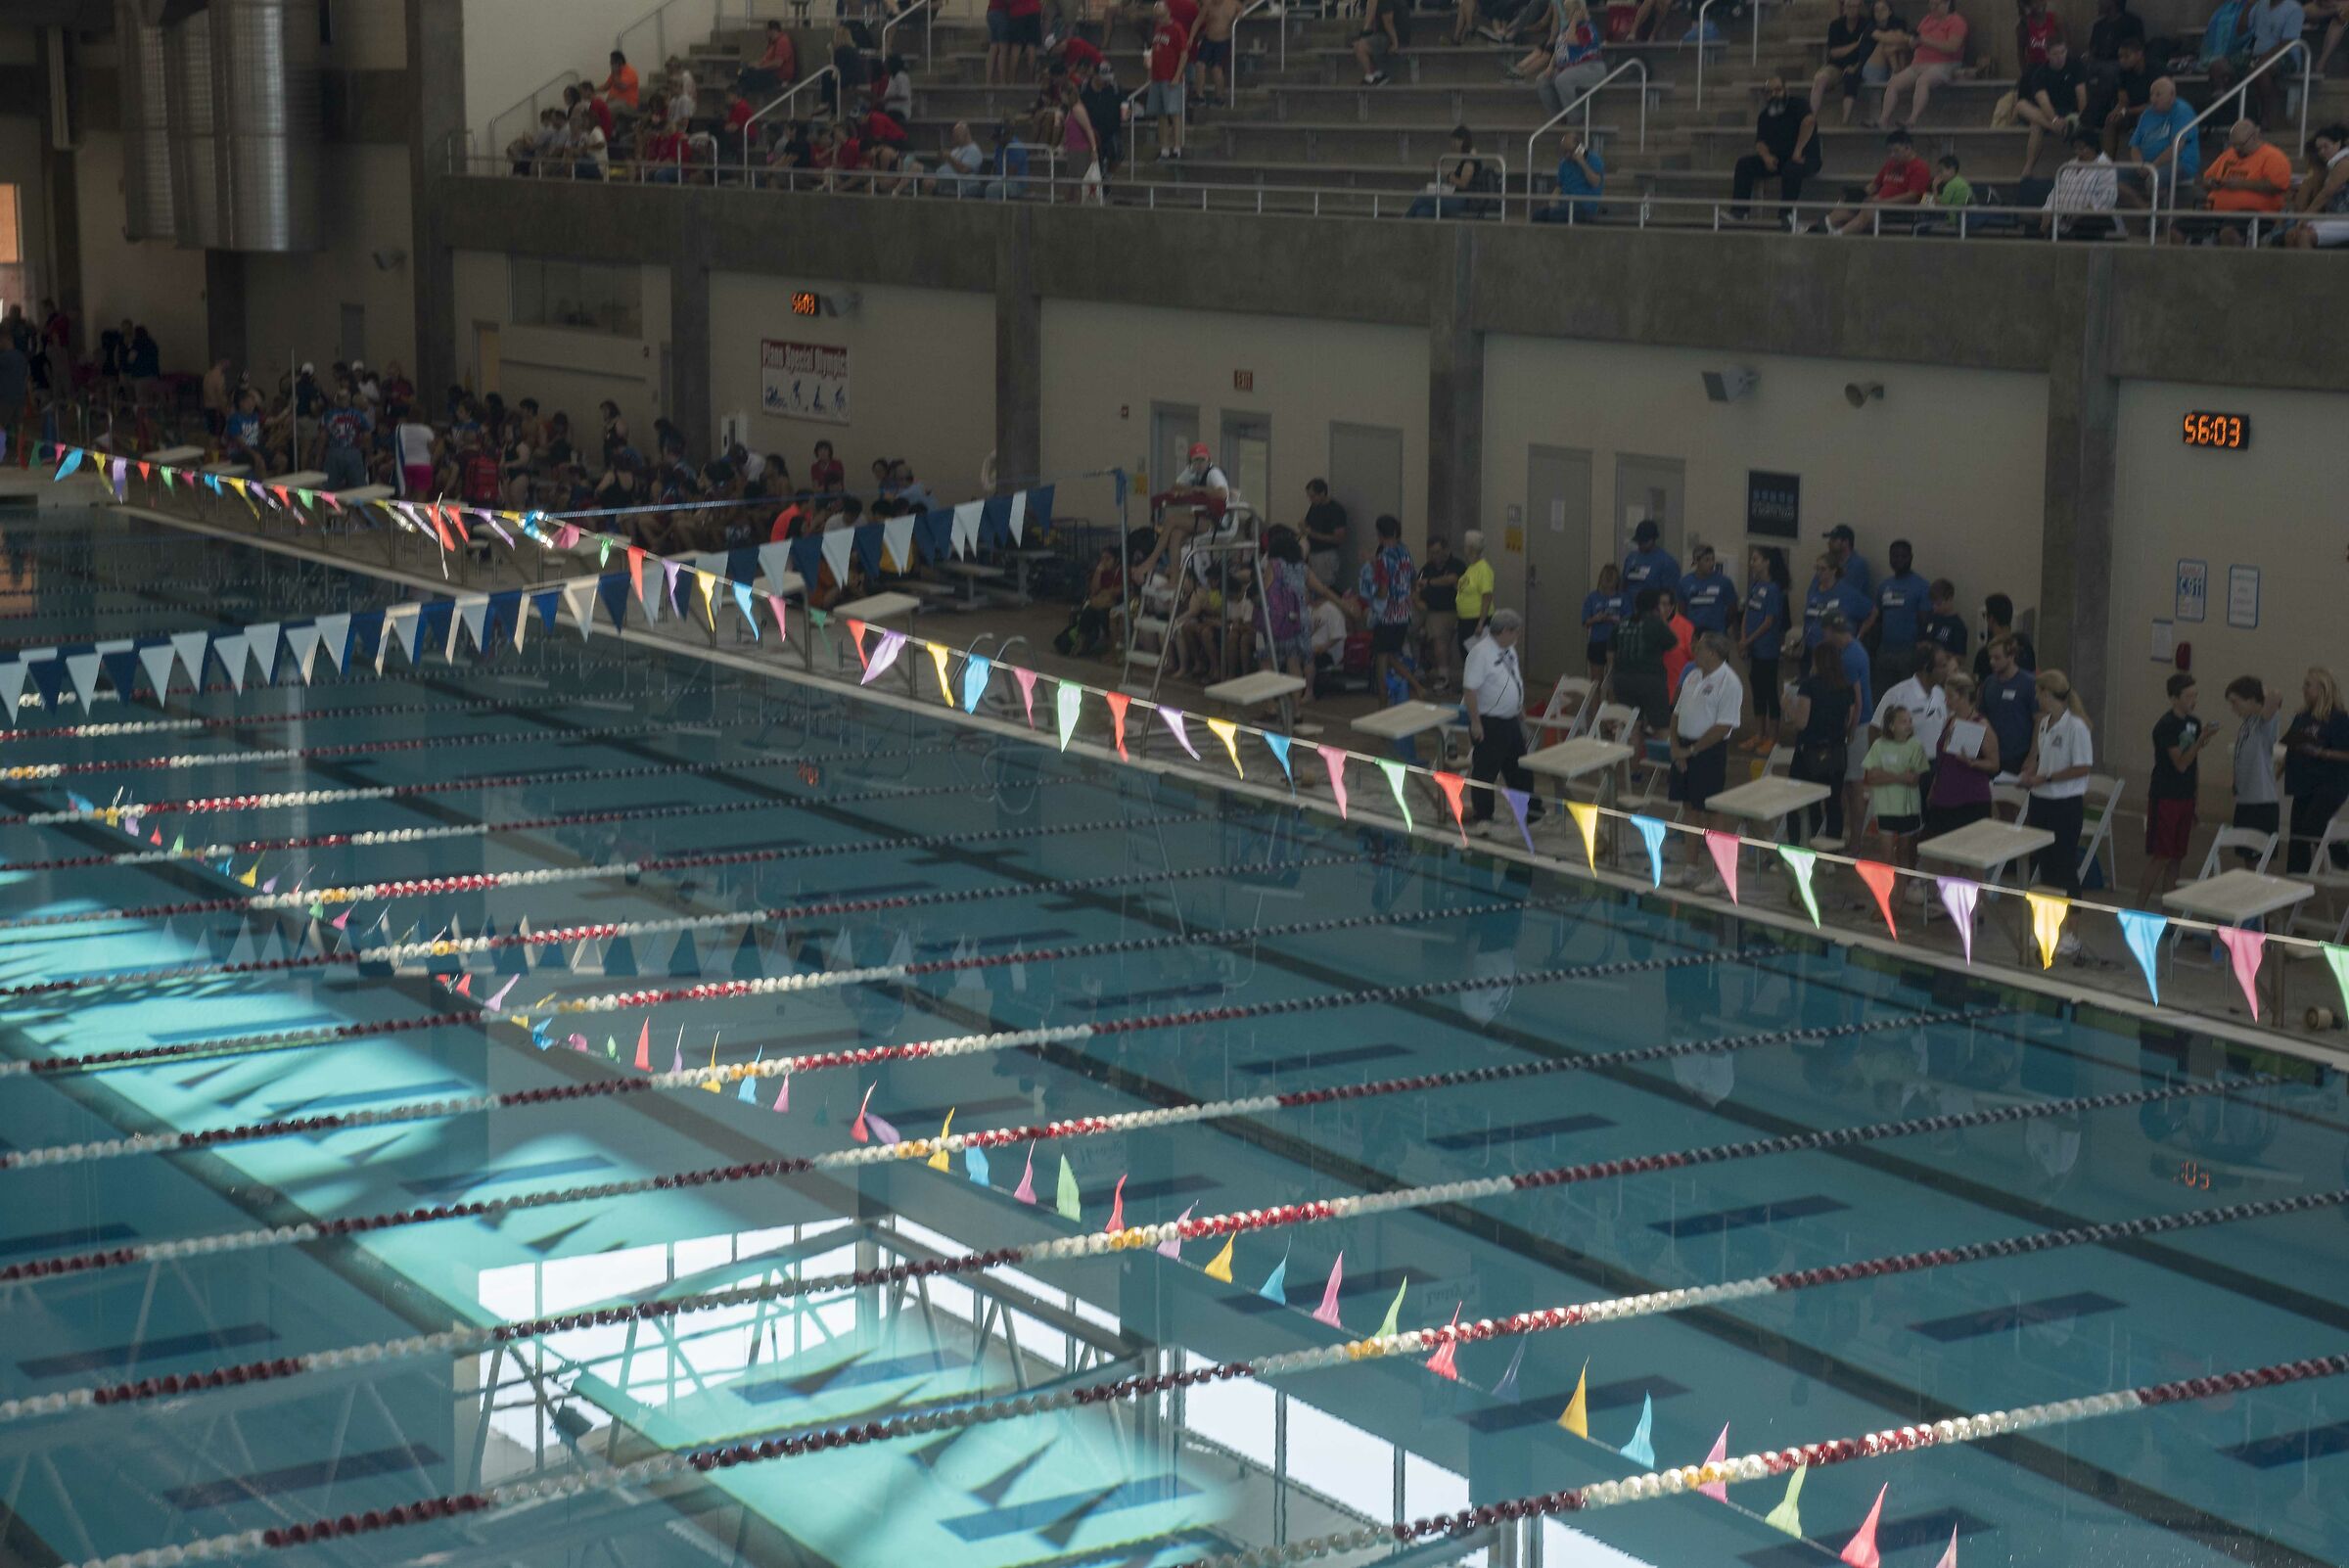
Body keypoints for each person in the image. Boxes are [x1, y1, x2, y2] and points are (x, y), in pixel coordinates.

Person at [2139, 670, 2217, 903]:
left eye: (2195, 695)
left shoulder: (2194, 723)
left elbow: (2193, 766)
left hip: (2185, 797)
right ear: (2174, 698)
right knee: (2161, 855)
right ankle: (2139, 904)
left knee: (2177, 857)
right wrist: (2201, 740)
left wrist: (2196, 799)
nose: (2193, 700)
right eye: (2188, 696)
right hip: (2166, 795)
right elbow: (2181, 763)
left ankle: (2169, 910)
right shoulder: (2166, 726)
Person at [1464, 610, 1543, 835]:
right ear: (1505, 631)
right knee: (1485, 771)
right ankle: (1483, 816)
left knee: (1519, 769)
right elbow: (1470, 690)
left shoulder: (1509, 649)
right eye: (1515, 631)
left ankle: (1531, 811)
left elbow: (1513, 678)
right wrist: (1475, 722)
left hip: (1510, 720)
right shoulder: (1480, 653)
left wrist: (1519, 708)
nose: (1517, 635)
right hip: (1489, 722)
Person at [2018, 669, 2095, 899]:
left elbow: (2083, 767)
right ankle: (2049, 928)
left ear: (2048, 693)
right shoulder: (2043, 724)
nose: (2036, 699)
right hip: (2041, 801)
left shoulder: (2076, 727)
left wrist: (2047, 777)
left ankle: (2072, 930)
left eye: (2038, 693)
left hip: (2064, 805)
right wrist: (2030, 772)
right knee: (2045, 865)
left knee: (2065, 867)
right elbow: (2042, 758)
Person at [1670, 633, 1744, 860]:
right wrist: (1675, 747)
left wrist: (1691, 751)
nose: (1694, 651)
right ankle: (1690, 868)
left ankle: (1720, 874)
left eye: (1700, 648)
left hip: (1708, 752)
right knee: (1690, 808)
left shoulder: (1729, 682)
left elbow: (1723, 726)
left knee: (1712, 810)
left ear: (1713, 653)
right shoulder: (1692, 675)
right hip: (1683, 749)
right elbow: (1676, 714)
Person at [1262, 528, 1351, 710]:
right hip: (1300, 619)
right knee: (1295, 662)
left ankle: (1270, 705)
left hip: (1278, 620)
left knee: (1267, 661)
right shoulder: (1303, 568)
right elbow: (1323, 590)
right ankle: (1297, 709)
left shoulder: (1274, 565)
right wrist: (1344, 605)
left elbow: (1266, 592)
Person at [1787, 643, 1856, 846]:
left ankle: (1797, 844)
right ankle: (1831, 851)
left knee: (1802, 801)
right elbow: (1848, 720)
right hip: (1836, 751)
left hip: (1809, 751)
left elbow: (1801, 722)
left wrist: (1788, 706)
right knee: (1833, 802)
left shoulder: (1809, 686)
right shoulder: (1847, 687)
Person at [2283, 669, 2349, 872]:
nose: (2303, 689)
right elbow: (2290, 746)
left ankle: (2345, 859)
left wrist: (2322, 753)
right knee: (2297, 836)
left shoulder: (2337, 719)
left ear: (2322, 689)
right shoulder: (2302, 716)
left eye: (2307, 685)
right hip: (2303, 782)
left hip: (2329, 783)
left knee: (2312, 827)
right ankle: (2296, 883)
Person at [2186, 118, 2291, 243]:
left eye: (2241, 144)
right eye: (2233, 144)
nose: (2236, 149)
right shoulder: (2229, 154)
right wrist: (2210, 183)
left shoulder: (2273, 156)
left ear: (2254, 137)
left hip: (2256, 214)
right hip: (2216, 211)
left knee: (2228, 231)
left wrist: (2241, 184)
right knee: (2179, 228)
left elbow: (2277, 186)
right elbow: (2206, 178)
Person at [1925, 670, 2003, 841]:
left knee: (1971, 854)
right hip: (1944, 796)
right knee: (1942, 854)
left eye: (1950, 696)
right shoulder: (1949, 721)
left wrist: (1973, 763)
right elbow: (1943, 760)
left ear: (1963, 696)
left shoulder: (1982, 725)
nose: (1946, 700)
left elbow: (1994, 764)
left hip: (1970, 798)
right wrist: (1934, 787)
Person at [1734, 76, 1821, 219]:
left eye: (1778, 90)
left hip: (1805, 157)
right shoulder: (1764, 116)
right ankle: (1739, 211)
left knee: (1792, 169)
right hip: (1779, 159)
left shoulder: (1798, 104)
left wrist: (1798, 150)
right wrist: (1766, 156)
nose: (1773, 94)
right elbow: (1760, 142)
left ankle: (1786, 214)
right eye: (1769, 92)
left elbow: (1809, 122)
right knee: (1744, 165)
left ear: (1786, 90)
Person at [1357, 514, 1419, 703]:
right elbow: (1412, 579)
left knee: (1382, 660)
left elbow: (1383, 591)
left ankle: (1383, 701)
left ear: (1379, 534)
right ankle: (1416, 687)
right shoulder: (1405, 552)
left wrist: (1371, 590)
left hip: (1387, 615)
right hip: (1403, 612)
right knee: (1392, 655)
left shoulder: (1384, 558)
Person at [2122, 76, 2199, 225]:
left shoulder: (2182, 111)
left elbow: (2177, 147)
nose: (2153, 99)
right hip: (2147, 165)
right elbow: (2135, 145)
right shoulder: (2147, 114)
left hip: (2180, 162)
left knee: (2154, 179)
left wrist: (2150, 167)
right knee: (2112, 176)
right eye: (2151, 94)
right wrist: (2140, 165)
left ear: (2172, 95)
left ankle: (2158, 220)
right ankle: (2145, 210)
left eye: (2158, 95)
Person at [1877, 0, 1966, 129]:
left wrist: (1925, 40)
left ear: (1947, 4)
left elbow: (1953, 47)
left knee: (1923, 81)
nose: (1933, 8)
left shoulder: (1957, 22)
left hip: (1944, 64)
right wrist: (1913, 41)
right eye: (1931, 4)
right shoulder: (1926, 19)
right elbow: (1915, 41)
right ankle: (1883, 120)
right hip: (1918, 64)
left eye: (1937, 5)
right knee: (1893, 82)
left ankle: (1912, 119)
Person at [2225, 675, 2283, 862]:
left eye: (2235, 702)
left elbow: (2275, 696)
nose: (2233, 708)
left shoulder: (2264, 723)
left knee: (2259, 860)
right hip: (2245, 801)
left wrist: (2260, 690)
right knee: (2247, 858)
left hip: (2262, 803)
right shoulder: (2246, 725)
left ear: (2250, 699)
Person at [1863, 704, 1928, 872]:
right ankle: (1888, 889)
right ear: (1891, 726)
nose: (1908, 725)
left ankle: (1903, 887)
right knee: (1886, 855)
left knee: (1904, 853)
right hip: (1886, 808)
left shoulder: (1915, 746)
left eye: (1909, 721)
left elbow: (1913, 779)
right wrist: (1900, 776)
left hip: (1908, 810)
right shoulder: (1879, 745)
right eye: (1903, 721)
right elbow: (1871, 777)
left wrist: (1885, 774)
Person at [1829, 130, 1932, 233]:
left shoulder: (1920, 168)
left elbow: (1912, 196)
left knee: (1868, 210)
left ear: (1908, 148)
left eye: (1896, 151)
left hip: (1900, 210)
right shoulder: (1891, 164)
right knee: (1847, 206)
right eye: (1890, 151)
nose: (1892, 155)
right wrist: (1859, 195)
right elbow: (1874, 185)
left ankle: (1838, 236)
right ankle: (1825, 227)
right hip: (1879, 204)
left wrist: (1881, 203)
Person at [1739, 545, 1790, 751]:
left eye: (1756, 559)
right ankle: (1759, 733)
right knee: (1757, 691)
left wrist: (1749, 640)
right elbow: (1747, 613)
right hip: (1752, 647)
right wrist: (1743, 638)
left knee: (1769, 692)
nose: (1752, 563)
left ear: (1767, 562)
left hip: (1767, 649)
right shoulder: (1755, 585)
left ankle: (1773, 736)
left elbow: (1769, 621)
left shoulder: (1774, 589)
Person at [1862, 538, 1929, 689]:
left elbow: (1926, 620)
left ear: (1911, 557)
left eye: (1902, 556)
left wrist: (1921, 648)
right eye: (1894, 556)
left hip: (1909, 652)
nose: (1898, 560)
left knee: (1908, 697)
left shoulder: (1922, 586)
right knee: (1883, 698)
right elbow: (1878, 618)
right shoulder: (1884, 586)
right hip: (1885, 652)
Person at [2015, 36, 2088, 179]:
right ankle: (2029, 166)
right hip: (2048, 113)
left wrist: (2083, 118)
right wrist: (2054, 121)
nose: (2060, 57)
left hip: (2069, 111)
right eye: (2055, 54)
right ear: (2047, 54)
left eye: (2062, 52)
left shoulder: (2076, 66)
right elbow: (2043, 101)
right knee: (2021, 106)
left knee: (2036, 124)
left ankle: (2028, 167)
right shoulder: (2040, 73)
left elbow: (2081, 94)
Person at [1611, 586, 1674, 737]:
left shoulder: (1622, 623)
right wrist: (1663, 620)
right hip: (1651, 681)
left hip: (1622, 679)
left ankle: (1629, 761)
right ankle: (1663, 760)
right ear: (1655, 606)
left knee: (1630, 726)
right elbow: (1671, 643)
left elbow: (1610, 655)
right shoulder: (1656, 623)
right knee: (1661, 727)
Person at [1978, 633, 2038, 779]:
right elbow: (1981, 718)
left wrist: (2032, 756)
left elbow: (2040, 722)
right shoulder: (1989, 683)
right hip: (1992, 755)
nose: (1992, 662)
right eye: (1990, 658)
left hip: (2018, 757)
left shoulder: (2029, 683)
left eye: (1997, 658)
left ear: (2011, 656)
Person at [2284, 124, 2349, 250]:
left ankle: (2309, 269)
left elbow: (2327, 194)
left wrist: (2306, 217)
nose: (2322, 152)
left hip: (2346, 219)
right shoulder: (2332, 166)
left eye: (2326, 147)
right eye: (2319, 149)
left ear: (2338, 144)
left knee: (2304, 235)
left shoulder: (2345, 164)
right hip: (2335, 219)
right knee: (2290, 235)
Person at [1409, 126, 1497, 218]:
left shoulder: (1470, 160)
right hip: (1459, 197)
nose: (1452, 145)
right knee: (1422, 212)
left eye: (1454, 141)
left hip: (1464, 201)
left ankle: (1404, 220)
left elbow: (1463, 184)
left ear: (1461, 141)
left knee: (1422, 195)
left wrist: (1447, 175)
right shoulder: (1467, 158)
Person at [1814, 0, 1877, 123]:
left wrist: (1857, 65)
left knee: (1851, 77)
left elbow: (1868, 50)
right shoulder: (1836, 25)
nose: (1852, 9)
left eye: (1855, 6)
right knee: (1820, 79)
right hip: (1835, 66)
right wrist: (1856, 44)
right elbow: (1834, 53)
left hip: (1859, 65)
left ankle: (1845, 120)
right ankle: (1812, 118)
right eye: (1849, 6)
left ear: (1860, 7)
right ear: (1843, 7)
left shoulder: (1867, 24)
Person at [1531, 128, 1606, 222]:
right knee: (1538, 215)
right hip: (1566, 204)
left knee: (1556, 215)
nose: (1566, 155)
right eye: (1564, 152)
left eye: (1569, 151)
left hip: (1584, 205)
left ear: (1579, 148)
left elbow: (1595, 182)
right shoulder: (1564, 163)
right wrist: (1553, 200)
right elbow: (1559, 186)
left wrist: (1582, 163)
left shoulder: (1594, 160)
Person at [1417, 534, 1462, 690]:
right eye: (1431, 552)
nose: (1434, 556)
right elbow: (1416, 588)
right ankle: (1417, 667)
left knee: (1438, 635)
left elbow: (1452, 579)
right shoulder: (1427, 568)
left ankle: (1443, 676)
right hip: (1425, 609)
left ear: (1446, 550)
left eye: (1437, 552)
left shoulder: (1456, 565)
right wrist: (1418, 601)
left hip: (1447, 610)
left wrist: (1430, 582)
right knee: (1406, 627)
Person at [1147, 1, 1189, 157]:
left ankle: (1177, 147)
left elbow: (1184, 54)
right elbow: (1154, 51)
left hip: (1171, 77)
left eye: (1160, 11)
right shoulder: (1157, 29)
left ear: (1167, 11)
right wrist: (1150, 73)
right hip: (1157, 77)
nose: (1157, 15)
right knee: (1161, 114)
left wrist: (1177, 76)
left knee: (1174, 113)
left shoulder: (1177, 29)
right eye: (1156, 12)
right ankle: (1164, 147)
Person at [1971, 592, 2036, 679]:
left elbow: (1979, 685)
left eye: (1985, 615)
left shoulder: (1985, 653)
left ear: (1991, 619)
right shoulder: (2025, 644)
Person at [1678, 542, 1735, 636]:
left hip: (1717, 633)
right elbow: (1682, 611)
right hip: (1694, 634)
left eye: (1713, 559)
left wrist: (1723, 625)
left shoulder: (1724, 582)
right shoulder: (1684, 583)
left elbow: (1732, 609)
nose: (1711, 563)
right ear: (1696, 561)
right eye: (1707, 560)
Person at [1301, 478, 1348, 586]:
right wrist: (1304, 525)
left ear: (1322, 493)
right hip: (1313, 553)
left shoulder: (1336, 510)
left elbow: (1339, 538)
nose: (1310, 499)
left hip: (1326, 555)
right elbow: (1309, 524)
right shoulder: (1315, 506)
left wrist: (1313, 534)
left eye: (1313, 496)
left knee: (1323, 586)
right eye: (1309, 496)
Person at [1454, 530, 1496, 650]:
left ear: (1471, 548)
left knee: (1475, 656)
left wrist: (1481, 623)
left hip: (1477, 620)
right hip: (1465, 619)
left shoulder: (1483, 569)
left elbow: (1487, 597)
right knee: (1466, 654)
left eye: (1465, 545)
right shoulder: (1471, 568)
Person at [1584, 562, 1624, 680]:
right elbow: (1586, 621)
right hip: (1597, 642)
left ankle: (1611, 699)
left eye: (1611, 589)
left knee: (1615, 680)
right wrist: (1596, 618)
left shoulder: (1623, 598)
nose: (1608, 591)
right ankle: (1597, 699)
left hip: (1617, 643)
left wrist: (1614, 619)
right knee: (1596, 681)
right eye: (1605, 588)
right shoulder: (1592, 598)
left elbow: (1629, 620)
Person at [1355, 0, 1409, 85]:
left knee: (1360, 47)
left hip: (1393, 36)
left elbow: (1388, 22)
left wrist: (1395, 43)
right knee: (1362, 44)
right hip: (1392, 34)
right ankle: (1376, 74)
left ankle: (1371, 76)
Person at [1621, 517, 1677, 600]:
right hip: (1629, 608)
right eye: (1639, 541)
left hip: (1652, 608)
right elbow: (1623, 584)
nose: (1640, 544)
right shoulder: (1631, 557)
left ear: (1653, 540)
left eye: (1644, 541)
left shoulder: (1666, 562)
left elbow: (1669, 595)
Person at [740, 20, 798, 95]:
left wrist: (760, 67)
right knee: (742, 68)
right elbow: (766, 59)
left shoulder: (783, 41)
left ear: (772, 31)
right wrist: (755, 63)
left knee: (747, 76)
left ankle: (741, 97)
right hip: (768, 70)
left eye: (767, 30)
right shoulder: (773, 43)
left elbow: (778, 63)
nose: (766, 33)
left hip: (778, 76)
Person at [1659, 587, 1695, 698]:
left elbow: (1694, 657)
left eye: (1665, 604)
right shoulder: (1647, 625)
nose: (1660, 608)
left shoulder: (1686, 627)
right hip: (1652, 689)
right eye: (1658, 604)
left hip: (1677, 691)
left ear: (1672, 607)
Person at [1921, 578, 1967, 665]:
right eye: (1933, 603)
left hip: (1945, 669)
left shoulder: (1957, 625)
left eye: (1938, 604)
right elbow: (1920, 641)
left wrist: (1940, 654)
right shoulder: (1930, 618)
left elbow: (1961, 658)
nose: (1934, 607)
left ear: (1949, 599)